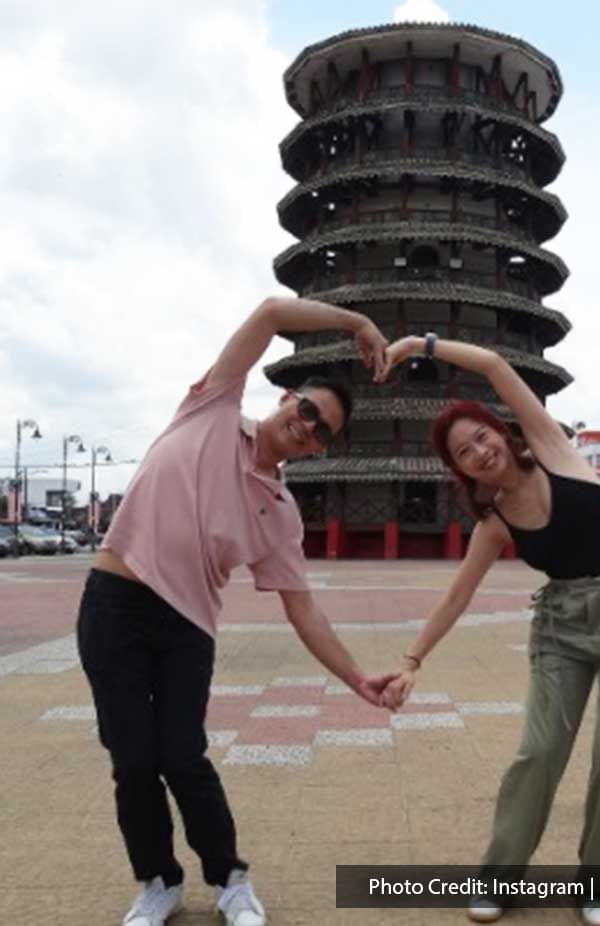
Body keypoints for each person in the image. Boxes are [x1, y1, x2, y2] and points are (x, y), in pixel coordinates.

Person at [76, 296, 397, 926]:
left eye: (322, 430)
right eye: (307, 410)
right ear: (284, 401)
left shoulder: (279, 515)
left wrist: (357, 678)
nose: (308, 426)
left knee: (182, 756)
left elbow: (305, 613)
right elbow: (273, 313)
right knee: (132, 759)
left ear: (319, 451)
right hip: (113, 604)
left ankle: (229, 879)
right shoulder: (213, 407)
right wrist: (356, 323)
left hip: (187, 628)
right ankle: (158, 883)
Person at [379, 334, 600, 926]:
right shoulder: (494, 522)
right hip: (562, 629)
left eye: (482, 435)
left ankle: (599, 880)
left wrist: (422, 344)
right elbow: (458, 595)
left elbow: (490, 364)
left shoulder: (554, 450)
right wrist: (412, 661)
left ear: (501, 433)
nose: (480, 451)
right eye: (464, 451)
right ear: (459, 469)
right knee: (537, 753)